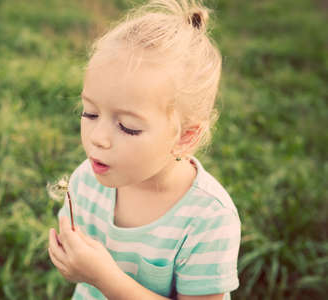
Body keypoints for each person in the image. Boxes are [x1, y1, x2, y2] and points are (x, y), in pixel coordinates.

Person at [47, 0, 241, 299]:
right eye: (90, 113)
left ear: (185, 137)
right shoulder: (85, 180)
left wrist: (103, 277)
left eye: (128, 127)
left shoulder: (208, 219)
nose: (98, 138)